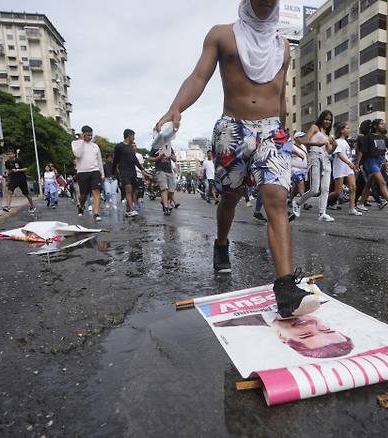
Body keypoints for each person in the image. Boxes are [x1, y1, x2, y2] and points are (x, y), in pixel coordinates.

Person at [155, 0, 319, 319]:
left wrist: (287, 137)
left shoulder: (283, 46)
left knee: (277, 199)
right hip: (233, 127)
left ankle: (285, 288)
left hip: (272, 129)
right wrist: (177, 107)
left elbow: (282, 97)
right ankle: (221, 243)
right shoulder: (222, 35)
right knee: (230, 197)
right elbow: (199, 76)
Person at [213, 313, 354, 358]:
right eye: (326, 329)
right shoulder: (313, 299)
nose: (311, 325)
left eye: (305, 335)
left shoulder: (226, 322)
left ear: (282, 337)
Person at [292, 110, 335, 222]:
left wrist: (334, 145)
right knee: (315, 189)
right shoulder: (315, 128)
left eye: (330, 120)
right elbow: (305, 141)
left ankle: (322, 213)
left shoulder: (327, 133)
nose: (327, 122)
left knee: (325, 189)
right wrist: (318, 144)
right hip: (315, 158)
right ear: (322, 118)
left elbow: (329, 151)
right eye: (326, 119)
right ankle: (297, 203)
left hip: (326, 160)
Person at [356, 119, 388, 212]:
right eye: (381, 124)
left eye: (383, 124)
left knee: (369, 184)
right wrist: (357, 164)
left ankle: (360, 204)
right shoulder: (368, 137)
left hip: (379, 161)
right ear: (375, 126)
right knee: (382, 182)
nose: (383, 125)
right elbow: (362, 152)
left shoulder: (383, 137)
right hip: (371, 162)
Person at [328, 121, 361, 215]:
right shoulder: (337, 142)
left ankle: (352, 208)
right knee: (337, 192)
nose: (349, 130)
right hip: (339, 167)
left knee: (353, 187)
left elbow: (348, 154)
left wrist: (352, 164)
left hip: (348, 167)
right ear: (342, 130)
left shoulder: (346, 142)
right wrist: (348, 163)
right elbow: (339, 154)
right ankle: (326, 199)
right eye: (347, 128)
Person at [72, 126, 104, 221]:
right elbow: (77, 154)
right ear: (83, 134)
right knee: (84, 195)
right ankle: (81, 206)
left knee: (96, 191)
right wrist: (81, 140)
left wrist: (102, 174)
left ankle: (96, 213)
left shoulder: (95, 146)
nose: (90, 137)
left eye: (91, 135)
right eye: (88, 135)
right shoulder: (75, 143)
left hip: (95, 171)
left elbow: (99, 160)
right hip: (82, 172)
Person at [111, 129, 145, 218]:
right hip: (124, 172)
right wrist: (113, 172)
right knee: (128, 189)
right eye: (133, 136)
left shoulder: (130, 147)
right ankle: (132, 209)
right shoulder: (119, 146)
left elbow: (135, 159)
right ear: (129, 136)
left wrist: (142, 169)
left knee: (135, 191)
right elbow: (115, 160)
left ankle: (128, 210)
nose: (134, 138)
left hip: (133, 171)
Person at [149, 140, 178, 215]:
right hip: (160, 170)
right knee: (164, 189)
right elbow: (150, 158)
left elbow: (175, 159)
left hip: (169, 171)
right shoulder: (155, 147)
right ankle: (166, 207)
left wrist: (171, 156)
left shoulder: (169, 148)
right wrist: (159, 157)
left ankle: (164, 201)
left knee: (171, 191)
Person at [290, 131, 308, 205]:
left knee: (296, 188)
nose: (303, 138)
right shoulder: (292, 146)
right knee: (301, 183)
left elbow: (306, 156)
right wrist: (297, 153)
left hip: (304, 170)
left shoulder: (304, 146)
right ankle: (304, 202)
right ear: (296, 138)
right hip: (295, 169)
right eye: (301, 137)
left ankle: (289, 200)